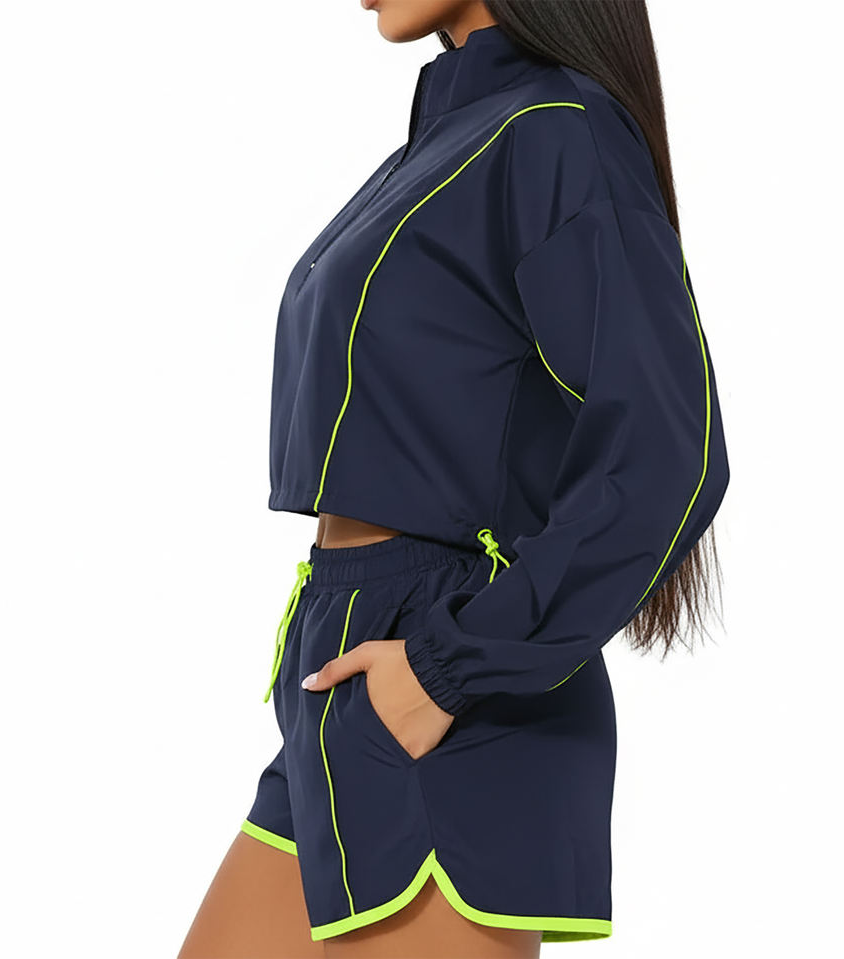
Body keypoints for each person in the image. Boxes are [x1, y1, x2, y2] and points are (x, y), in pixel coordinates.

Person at [179, 1, 730, 956]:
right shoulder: (450, 139)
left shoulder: (556, 131)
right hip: (345, 667)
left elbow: (665, 450)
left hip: (448, 680)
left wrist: (442, 670)